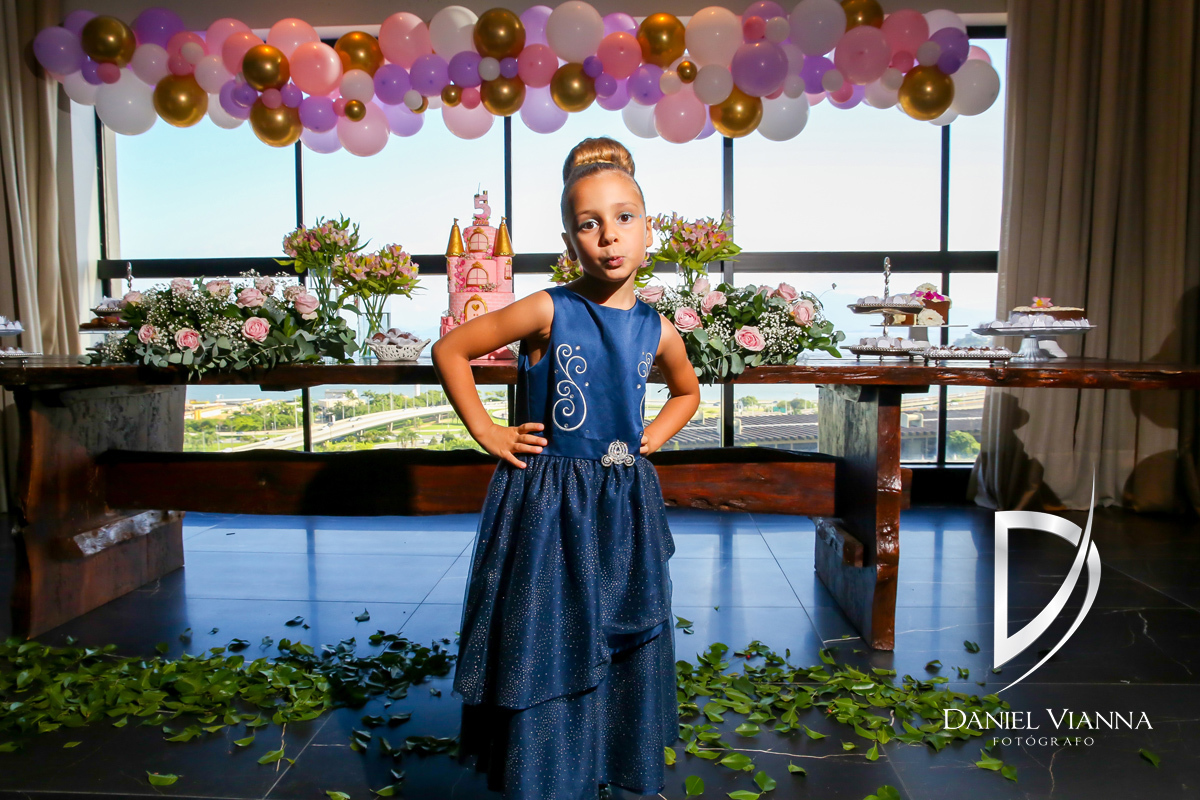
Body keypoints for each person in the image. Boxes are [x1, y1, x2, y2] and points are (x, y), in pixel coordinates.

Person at [431, 136, 701, 800]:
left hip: (622, 501)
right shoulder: (549, 308)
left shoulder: (659, 328)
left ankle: (604, 756)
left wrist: (649, 439)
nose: (609, 236)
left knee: (614, 626)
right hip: (550, 502)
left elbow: (687, 391)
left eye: (624, 218)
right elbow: (451, 349)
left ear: (649, 230)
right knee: (551, 628)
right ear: (568, 240)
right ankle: (545, 770)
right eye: (589, 224)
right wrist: (487, 431)